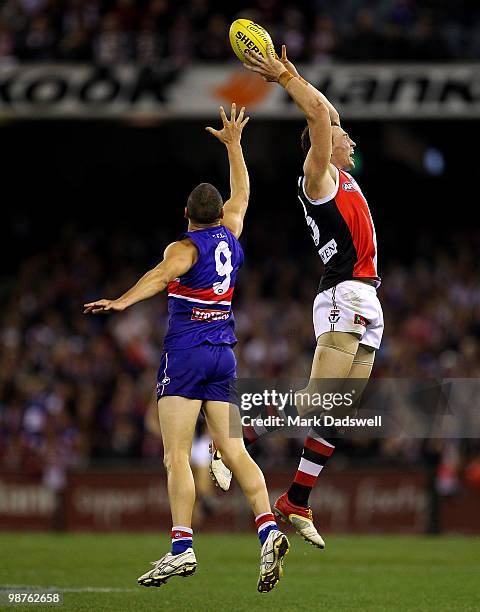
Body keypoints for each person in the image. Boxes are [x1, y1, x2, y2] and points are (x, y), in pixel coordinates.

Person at [83, 103, 289, 593]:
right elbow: (242, 192)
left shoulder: (184, 248)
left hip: (187, 354)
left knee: (176, 456)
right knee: (235, 449)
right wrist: (235, 146)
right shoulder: (232, 233)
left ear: (185, 215)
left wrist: (121, 301)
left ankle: (182, 548)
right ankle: (267, 530)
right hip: (225, 353)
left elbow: (158, 277)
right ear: (218, 214)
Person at [212, 46, 383, 550]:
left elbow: (323, 111)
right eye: (340, 134)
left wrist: (294, 74)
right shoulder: (320, 178)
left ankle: (297, 500)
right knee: (315, 401)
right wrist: (284, 76)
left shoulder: (340, 174)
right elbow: (318, 116)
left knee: (337, 410)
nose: (346, 134)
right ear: (324, 146)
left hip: (368, 299)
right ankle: (236, 440)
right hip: (343, 293)